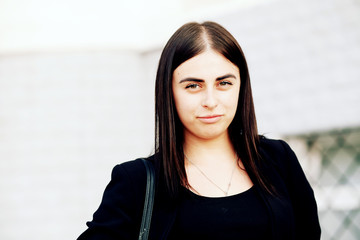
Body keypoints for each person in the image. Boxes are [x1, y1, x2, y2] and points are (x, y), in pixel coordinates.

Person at [78, 21, 321, 240]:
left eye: (223, 83)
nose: (210, 100)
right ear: (169, 92)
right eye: (193, 86)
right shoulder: (136, 182)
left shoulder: (278, 159)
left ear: (241, 86)